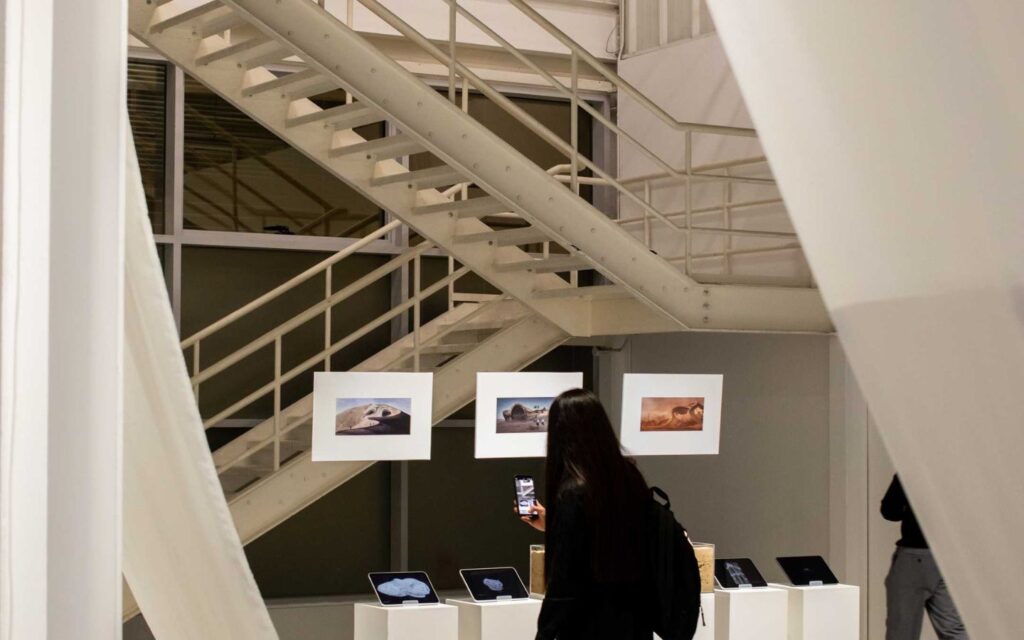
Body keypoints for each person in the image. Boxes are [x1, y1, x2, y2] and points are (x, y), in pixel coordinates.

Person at [517, 388, 652, 640]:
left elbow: (565, 579)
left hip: (588, 623)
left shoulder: (574, 490)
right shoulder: (629, 476)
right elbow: (613, 535)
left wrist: (545, 632)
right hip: (634, 618)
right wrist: (554, 525)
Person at [881, 475, 969, 640]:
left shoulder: (910, 470)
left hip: (916, 554)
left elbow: (889, 511)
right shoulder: (959, 469)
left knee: (902, 630)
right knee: (953, 629)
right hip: (950, 554)